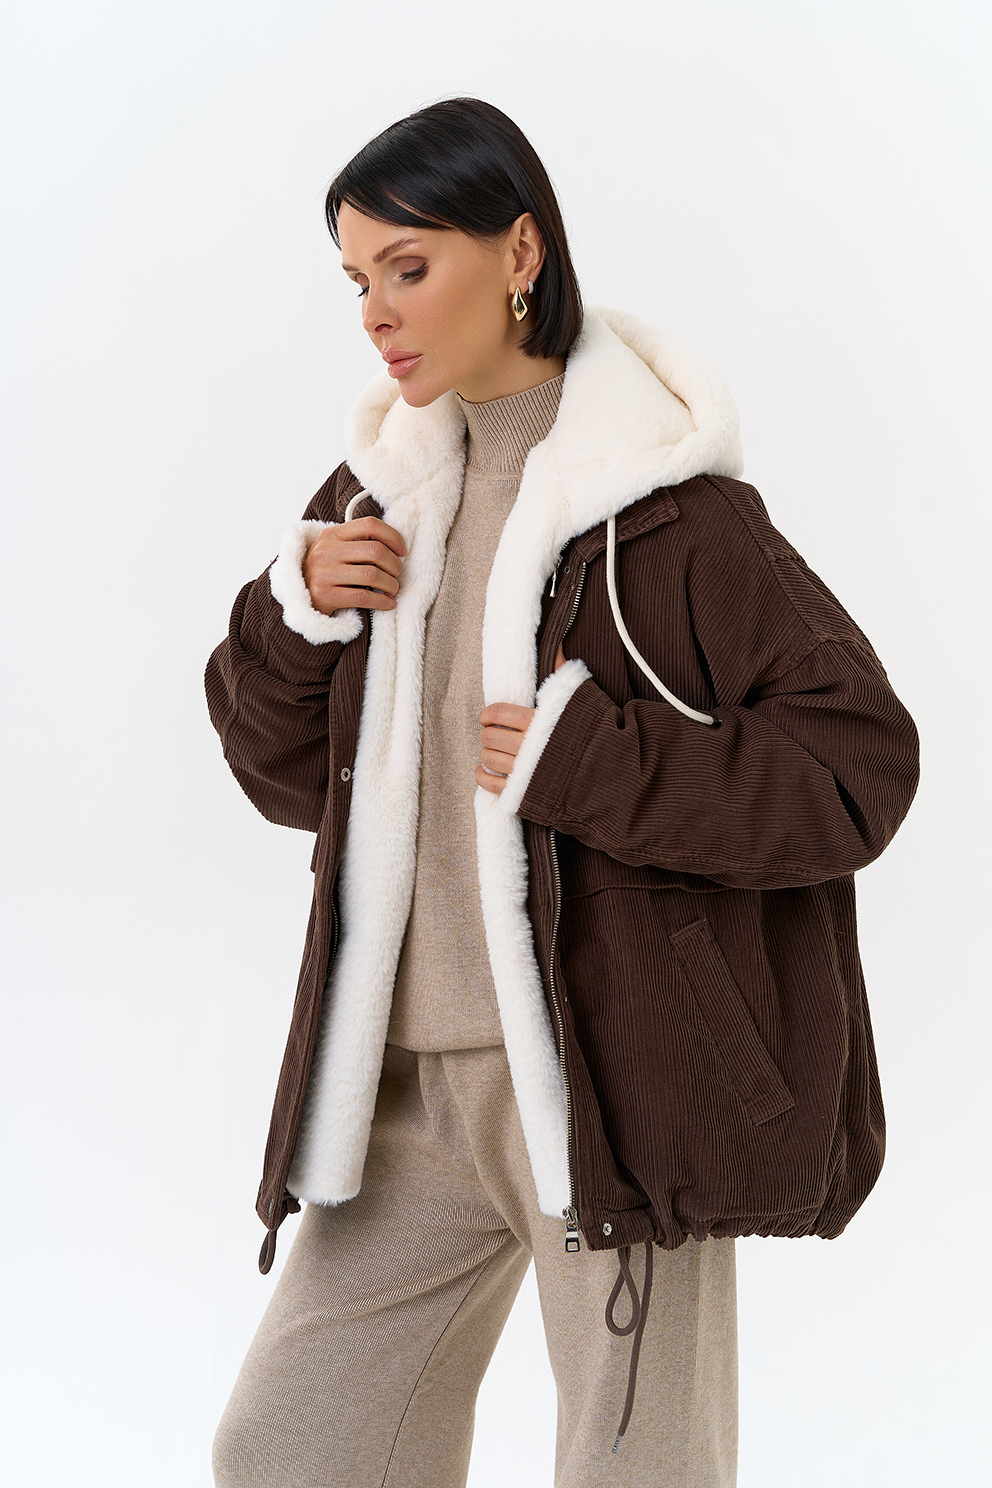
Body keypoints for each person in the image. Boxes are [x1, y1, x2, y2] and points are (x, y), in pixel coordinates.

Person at [206, 98, 919, 1488]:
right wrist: (294, 620)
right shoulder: (377, 501)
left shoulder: (672, 517)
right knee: (289, 1447)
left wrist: (594, 765)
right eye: (357, 280)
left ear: (520, 251)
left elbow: (859, 765)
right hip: (406, 1092)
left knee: (634, 1472)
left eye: (409, 267)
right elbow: (288, 784)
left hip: (613, 1091)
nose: (377, 312)